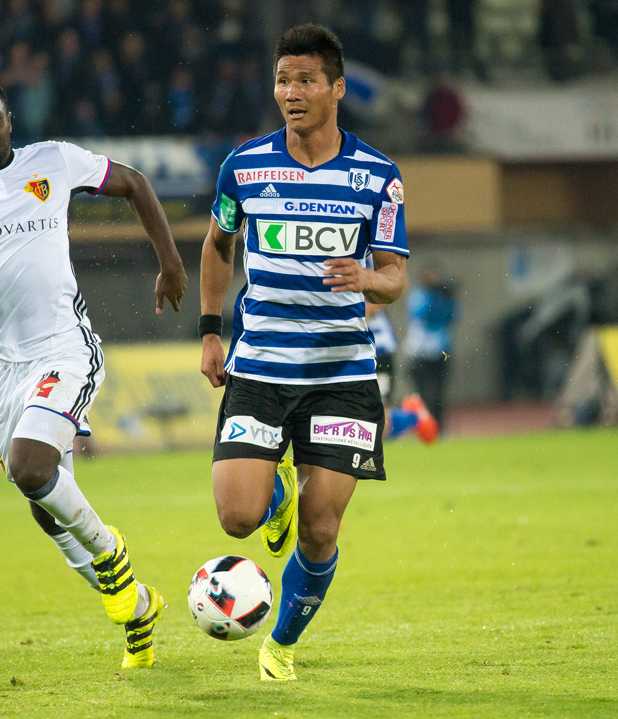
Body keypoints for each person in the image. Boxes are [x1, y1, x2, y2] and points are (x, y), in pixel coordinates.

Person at [0, 78, 187, 668]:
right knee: (41, 504)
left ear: (8, 120)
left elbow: (136, 184)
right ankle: (140, 610)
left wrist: (171, 264)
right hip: (0, 366)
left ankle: (113, 560)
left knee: (30, 466)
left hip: (64, 349)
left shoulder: (54, 160)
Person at [199, 24, 409, 682]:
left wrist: (367, 278)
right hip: (259, 367)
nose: (291, 91)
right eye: (283, 80)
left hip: (342, 374)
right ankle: (275, 493)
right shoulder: (245, 166)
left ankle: (281, 644)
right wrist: (210, 329)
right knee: (237, 518)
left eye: (306, 80)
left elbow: (395, 274)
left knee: (321, 530)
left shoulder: (378, 175)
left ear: (337, 88)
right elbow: (217, 245)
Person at [366, 302, 438, 443]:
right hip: (364, 353)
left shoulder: (363, 288)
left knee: (378, 419)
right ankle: (412, 416)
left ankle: (413, 417)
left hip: (378, 354)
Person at [403, 266, 458, 431]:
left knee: (439, 393)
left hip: (441, 350)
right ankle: (423, 428)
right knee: (423, 394)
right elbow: (421, 314)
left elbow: (452, 318)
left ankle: (439, 428)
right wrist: (434, 297)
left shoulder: (443, 296)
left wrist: (450, 300)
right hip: (419, 351)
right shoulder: (418, 294)